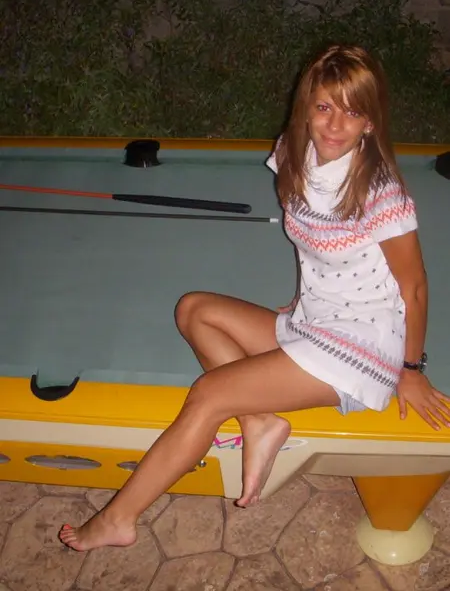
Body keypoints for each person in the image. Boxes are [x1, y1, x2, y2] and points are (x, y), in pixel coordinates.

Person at [59, 44, 450, 552]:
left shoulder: (382, 193)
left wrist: (411, 369)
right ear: (306, 106)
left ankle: (119, 519)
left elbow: (413, 286)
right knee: (194, 310)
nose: (335, 125)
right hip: (315, 320)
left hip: (362, 341)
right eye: (324, 106)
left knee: (209, 395)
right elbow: (314, 245)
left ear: (370, 122)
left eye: (353, 112)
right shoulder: (290, 155)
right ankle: (259, 420)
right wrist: (304, 299)